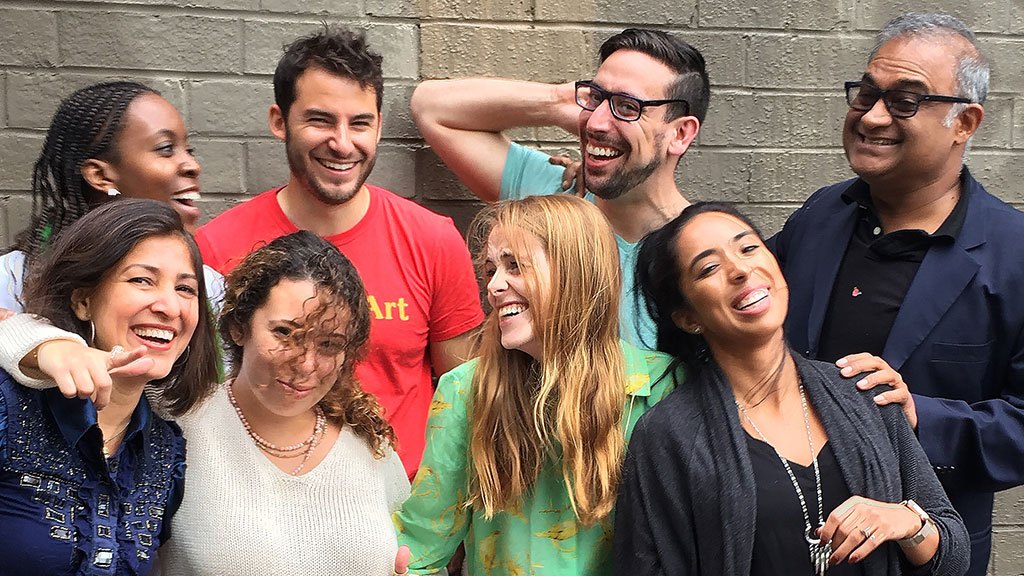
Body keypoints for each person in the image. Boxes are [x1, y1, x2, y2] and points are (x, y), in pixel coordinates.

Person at [770, 13, 1024, 575]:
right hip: (784, 537)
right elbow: (729, 300)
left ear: (965, 123)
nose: (872, 116)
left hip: (918, 551)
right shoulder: (820, 214)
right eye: (867, 93)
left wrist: (919, 417)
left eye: (905, 101)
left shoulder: (1014, 256)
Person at [0, 231, 411, 574]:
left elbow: (416, 553)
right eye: (285, 333)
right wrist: (49, 347)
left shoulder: (370, 445)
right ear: (237, 327)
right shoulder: (173, 423)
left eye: (329, 344)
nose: (305, 363)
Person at [616, 202, 968, 575]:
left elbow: (954, 555)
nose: (740, 270)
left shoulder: (864, 392)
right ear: (688, 318)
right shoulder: (668, 436)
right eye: (709, 268)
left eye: (749, 248)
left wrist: (905, 522)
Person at [195, 26, 483, 477]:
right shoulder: (216, 248)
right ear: (278, 121)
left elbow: (467, 396)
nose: (343, 142)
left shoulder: (432, 240)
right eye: (321, 120)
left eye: (360, 123)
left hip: (402, 520)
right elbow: (198, 395)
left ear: (379, 127)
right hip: (262, 510)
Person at [394, 195, 683, 574]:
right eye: (491, 270)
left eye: (514, 265)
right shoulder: (465, 391)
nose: (495, 286)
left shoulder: (661, 388)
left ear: (575, 271)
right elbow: (419, 548)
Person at [411, 28, 709, 347]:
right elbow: (431, 108)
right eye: (596, 97)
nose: (595, 123)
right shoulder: (552, 196)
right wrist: (561, 103)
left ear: (680, 134)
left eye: (627, 106)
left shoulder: (702, 255)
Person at [0, 199, 220, 575]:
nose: (170, 306)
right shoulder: (10, 406)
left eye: (186, 289)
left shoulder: (165, 451)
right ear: (83, 301)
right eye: (142, 280)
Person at [0, 80, 224, 312]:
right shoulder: (9, 285)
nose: (193, 165)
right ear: (100, 176)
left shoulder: (210, 291)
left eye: (189, 150)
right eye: (166, 148)